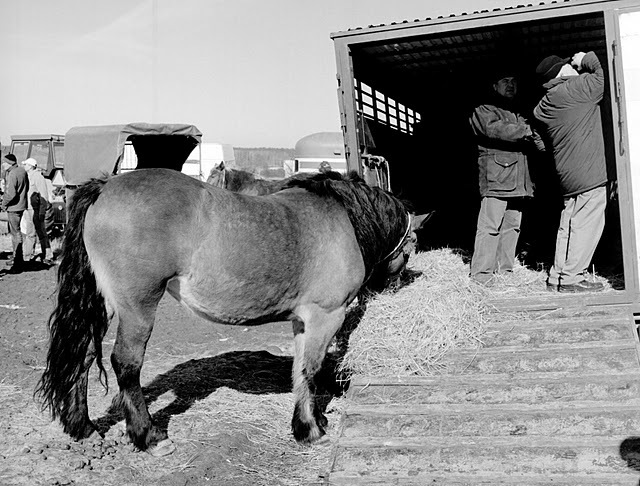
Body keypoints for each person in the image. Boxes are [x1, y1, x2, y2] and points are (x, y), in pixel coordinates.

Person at [533, 51, 607, 293]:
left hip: (566, 174)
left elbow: (537, 135)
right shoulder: (579, 88)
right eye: (568, 66)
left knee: (569, 222)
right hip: (589, 173)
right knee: (586, 223)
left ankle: (558, 275)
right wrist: (583, 58)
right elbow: (600, 74)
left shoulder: (543, 105)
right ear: (563, 71)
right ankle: (573, 277)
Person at [468, 72, 538, 285]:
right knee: (490, 226)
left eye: (514, 80)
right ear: (494, 85)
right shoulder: (484, 110)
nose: (511, 85)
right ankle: (481, 276)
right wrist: (528, 130)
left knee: (512, 226)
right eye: (505, 81)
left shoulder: (518, 111)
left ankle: (504, 272)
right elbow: (495, 129)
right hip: (497, 178)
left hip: (518, 180)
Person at [0, 153, 29, 272]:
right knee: (17, 232)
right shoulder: (22, 171)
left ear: (9, 163)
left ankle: (18, 261)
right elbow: (25, 188)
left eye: (4, 162)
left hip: (13, 207)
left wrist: (3, 204)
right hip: (21, 206)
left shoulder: (12, 174)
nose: (2, 165)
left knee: (15, 234)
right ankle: (18, 258)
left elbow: (11, 193)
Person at [22, 158, 53, 263]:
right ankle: (27, 256)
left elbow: (43, 195)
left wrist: (42, 211)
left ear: (30, 166)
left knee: (41, 233)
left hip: (36, 209)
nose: (24, 166)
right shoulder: (28, 176)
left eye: (25, 164)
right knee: (30, 233)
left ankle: (47, 255)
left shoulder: (38, 177)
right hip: (29, 209)